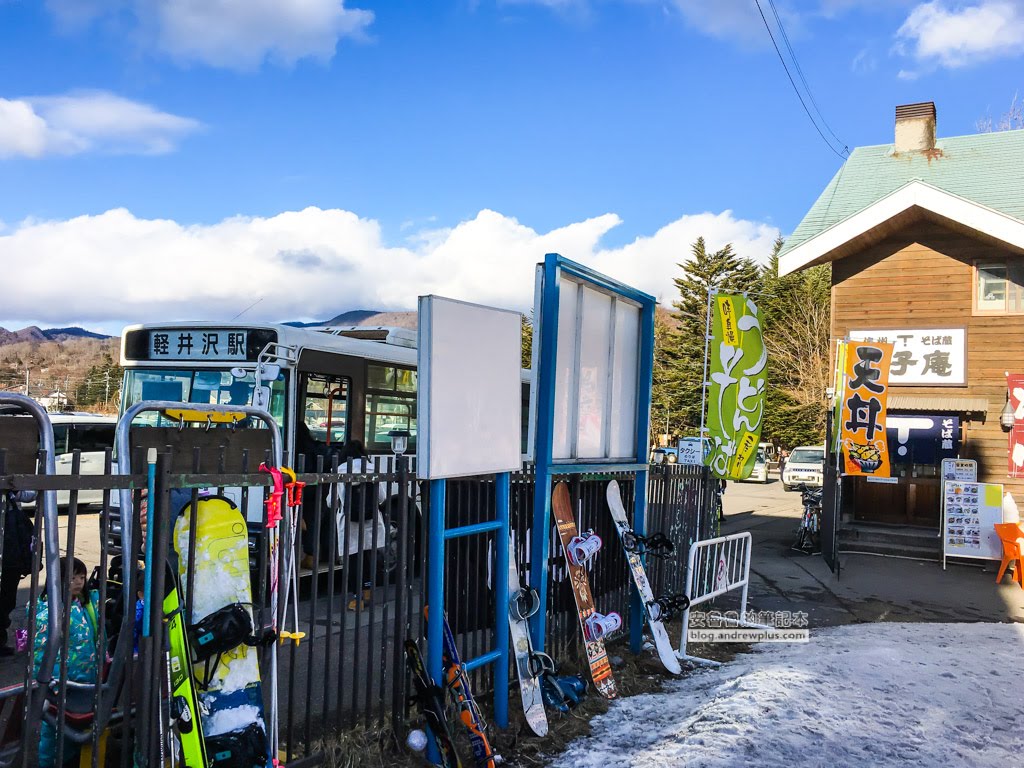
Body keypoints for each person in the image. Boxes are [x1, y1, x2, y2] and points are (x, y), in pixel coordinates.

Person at [32, 557, 100, 768]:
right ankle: (48, 764)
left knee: (75, 730)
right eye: (73, 578)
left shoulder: (84, 605)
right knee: (52, 732)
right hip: (58, 685)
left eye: (82, 577)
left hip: (83, 681)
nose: (79, 582)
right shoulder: (48, 613)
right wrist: (50, 682)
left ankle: (68, 761)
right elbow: (41, 653)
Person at [0, 490, 35, 657]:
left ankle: (0, 640)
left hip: (9, 552)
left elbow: (31, 494)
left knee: (6, 599)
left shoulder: (11, 493)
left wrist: (13, 487)